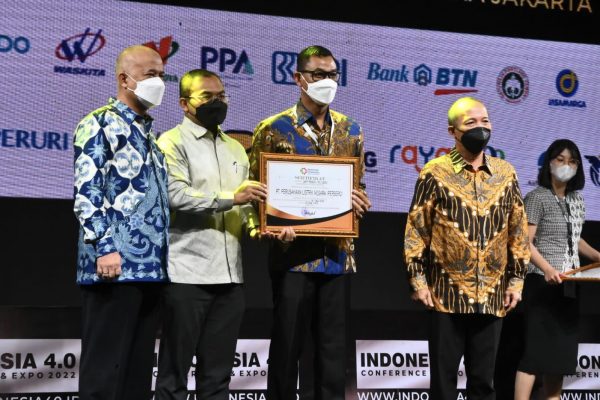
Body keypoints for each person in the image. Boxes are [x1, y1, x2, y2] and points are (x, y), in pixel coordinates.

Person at [249, 45, 371, 400]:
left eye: (332, 74)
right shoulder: (273, 129)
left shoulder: (351, 129)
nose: (327, 81)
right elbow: (257, 192)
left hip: (337, 256)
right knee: (287, 351)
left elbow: (357, 185)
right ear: (298, 78)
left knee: (332, 357)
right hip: (292, 257)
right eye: (319, 74)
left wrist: (359, 201)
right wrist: (269, 225)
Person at [404, 97, 530, 400]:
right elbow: (417, 229)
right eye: (471, 123)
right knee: (443, 385)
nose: (480, 128)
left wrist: (516, 280)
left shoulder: (505, 173)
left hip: (492, 294)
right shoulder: (434, 172)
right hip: (445, 294)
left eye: (485, 121)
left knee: (483, 384)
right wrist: (418, 280)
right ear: (453, 131)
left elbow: (518, 230)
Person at [155, 69, 267, 400]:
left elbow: (246, 205)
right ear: (184, 103)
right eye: (207, 96)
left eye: (221, 96)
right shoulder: (171, 142)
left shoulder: (236, 148)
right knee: (173, 376)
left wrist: (258, 228)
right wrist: (232, 198)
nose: (216, 103)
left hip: (230, 279)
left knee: (217, 379)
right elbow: (175, 195)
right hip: (186, 275)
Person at [73, 45, 169, 400]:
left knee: (136, 376)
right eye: (150, 75)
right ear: (124, 80)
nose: (159, 82)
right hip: (113, 266)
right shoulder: (99, 123)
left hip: (150, 269)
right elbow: (87, 192)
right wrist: (105, 247)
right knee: (105, 372)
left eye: (162, 75)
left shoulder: (150, 134)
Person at [514, 139, 600, 400]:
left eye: (572, 161)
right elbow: (524, 243)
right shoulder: (536, 197)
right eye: (560, 159)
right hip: (542, 283)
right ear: (549, 163)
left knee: (559, 359)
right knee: (534, 355)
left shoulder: (577, 200)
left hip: (571, 282)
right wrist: (547, 268)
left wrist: (597, 256)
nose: (566, 165)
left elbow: (575, 238)